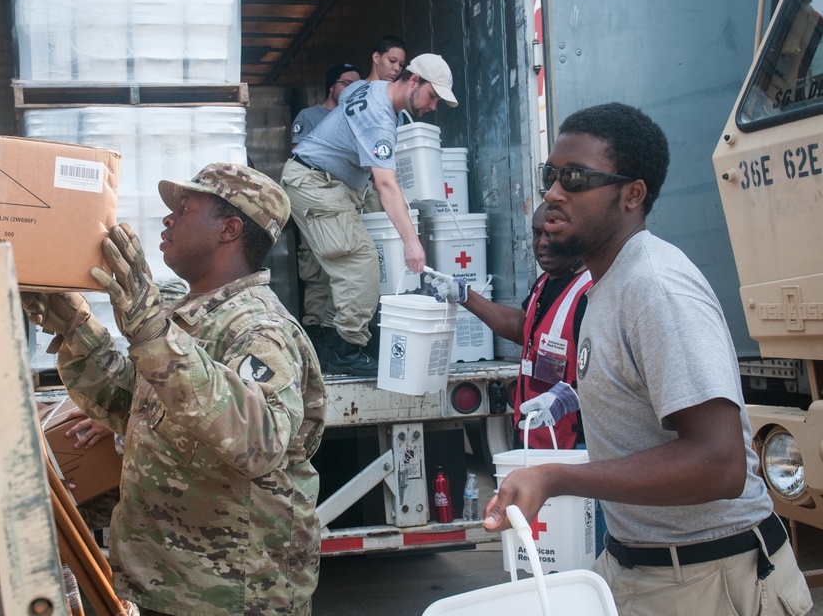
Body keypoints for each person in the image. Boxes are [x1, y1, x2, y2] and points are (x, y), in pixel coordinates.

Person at [483, 103, 812, 615]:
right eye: (551, 175)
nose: (552, 192)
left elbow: (719, 463)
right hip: (638, 566)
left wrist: (555, 477)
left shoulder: (654, 286)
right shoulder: (605, 283)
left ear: (632, 194)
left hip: (709, 580)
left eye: (575, 178)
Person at [21, 163, 327, 616]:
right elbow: (135, 408)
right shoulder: (188, 316)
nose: (168, 219)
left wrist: (150, 330)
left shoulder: (259, 328)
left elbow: (256, 441)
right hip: (178, 583)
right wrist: (77, 327)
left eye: (184, 209)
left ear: (230, 229)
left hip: (232, 593)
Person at [281, 53, 458, 376]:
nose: (433, 107)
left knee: (332, 267)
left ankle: (325, 346)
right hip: (316, 182)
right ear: (413, 80)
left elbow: (348, 93)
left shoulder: (370, 88)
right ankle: (347, 348)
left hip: (315, 179)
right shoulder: (380, 120)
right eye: (432, 96)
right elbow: (386, 184)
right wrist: (411, 243)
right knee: (359, 260)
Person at [426, 201, 590, 450]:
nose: (542, 243)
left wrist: (570, 397)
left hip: (573, 443)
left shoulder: (589, 293)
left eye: (553, 234)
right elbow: (520, 327)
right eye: (537, 233)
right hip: (535, 437)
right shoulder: (545, 282)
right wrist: (464, 294)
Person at [291, 63, 362, 149]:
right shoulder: (308, 116)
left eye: (357, 86)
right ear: (331, 86)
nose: (352, 89)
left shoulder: (359, 116)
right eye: (347, 83)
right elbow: (298, 154)